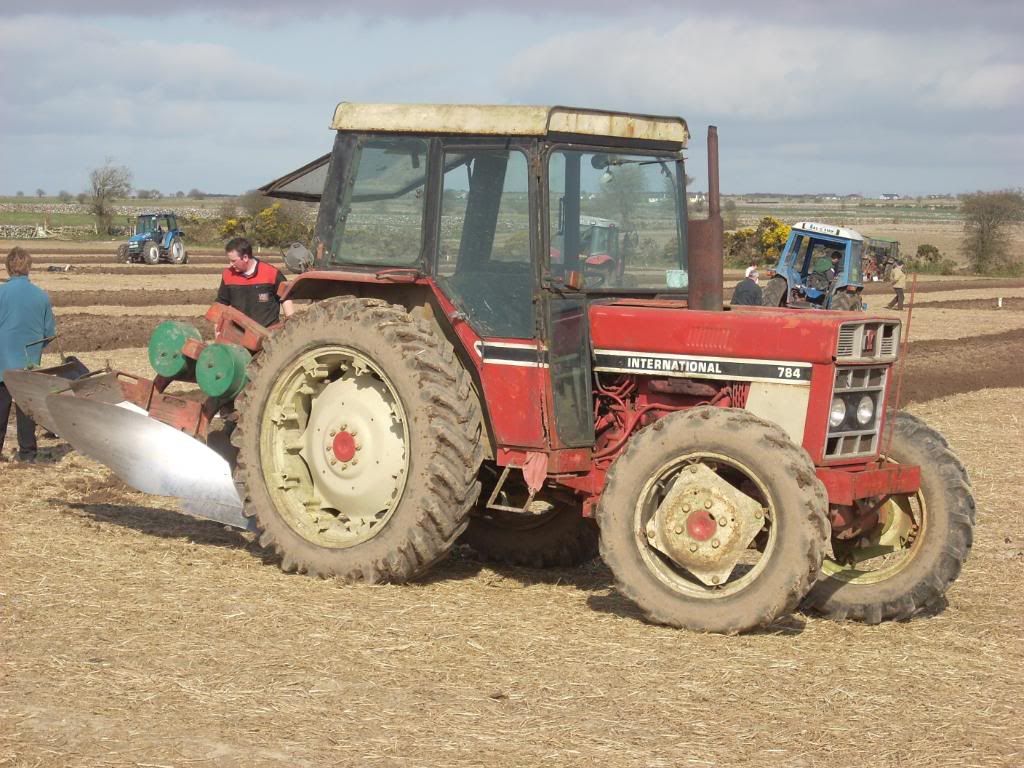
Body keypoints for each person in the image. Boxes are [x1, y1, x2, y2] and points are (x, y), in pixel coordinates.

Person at [0, 247, 56, 462]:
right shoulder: (41, 296)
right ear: (29, 267)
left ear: (8, 267)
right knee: (26, 409)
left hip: (2, 363)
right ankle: (28, 454)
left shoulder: (1, 293)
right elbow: (49, 334)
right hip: (27, 363)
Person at [216, 237, 294, 327]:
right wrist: (218, 330)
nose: (230, 264)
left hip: (269, 335)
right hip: (240, 335)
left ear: (245, 257)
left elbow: (285, 297)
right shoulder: (228, 275)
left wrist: (290, 322)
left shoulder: (271, 273)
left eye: (233, 261)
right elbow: (221, 304)